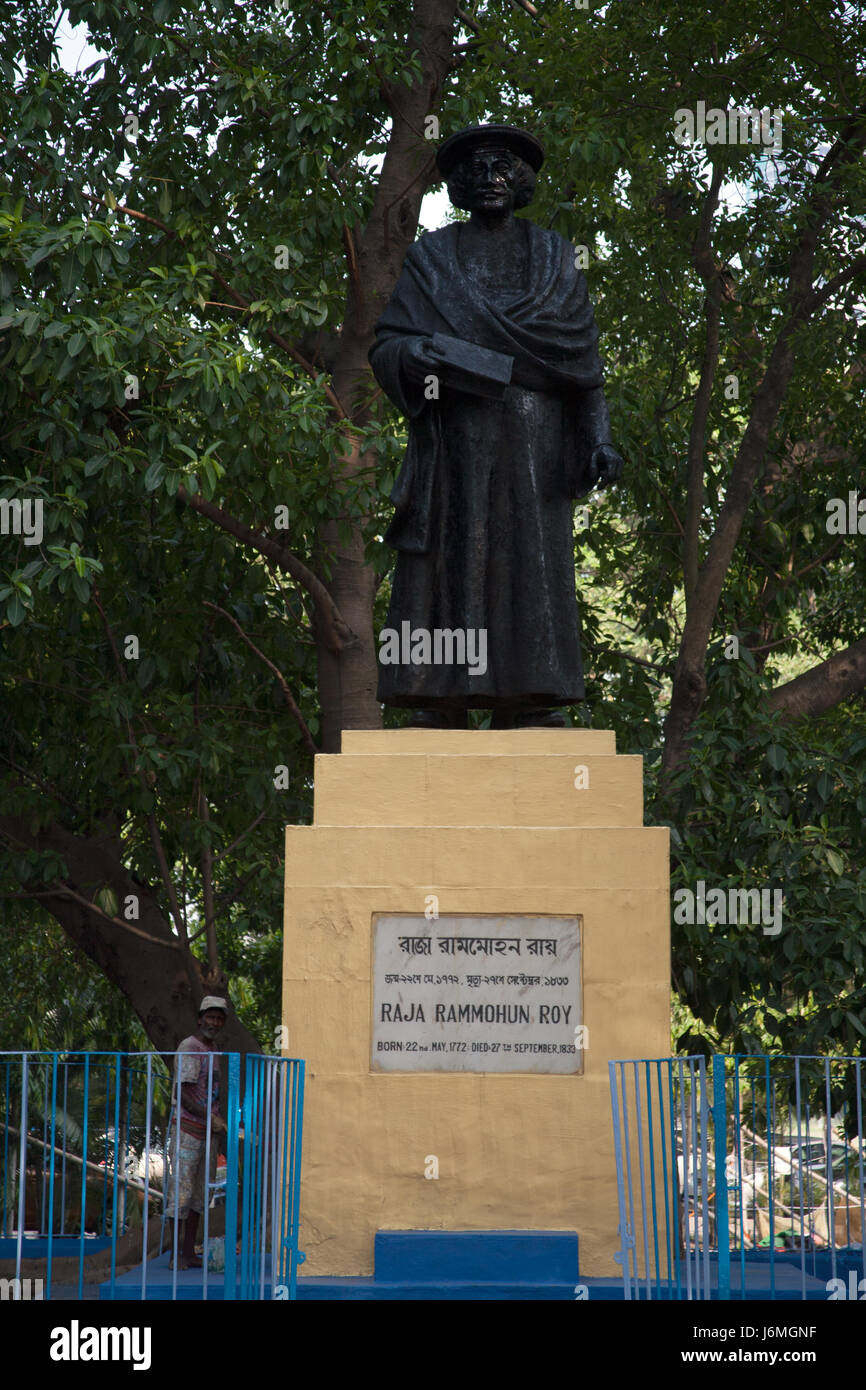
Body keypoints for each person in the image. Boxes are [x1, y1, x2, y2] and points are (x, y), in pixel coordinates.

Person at [370, 124, 623, 728]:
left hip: (536, 441)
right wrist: (415, 357)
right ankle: (439, 697)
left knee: (530, 562)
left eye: (502, 168)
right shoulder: (432, 256)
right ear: (458, 184)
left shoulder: (557, 259)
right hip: (453, 439)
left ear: (522, 182)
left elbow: (582, 365)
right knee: (450, 560)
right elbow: (388, 345)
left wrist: (599, 438)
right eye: (477, 169)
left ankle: (529, 698)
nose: (489, 179)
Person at [164, 996, 228, 1269]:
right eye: (210, 1017)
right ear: (200, 1018)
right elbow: (183, 1092)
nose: (213, 1022)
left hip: (207, 1132)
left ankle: (189, 1251)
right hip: (188, 1130)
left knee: (200, 1197)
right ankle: (177, 1255)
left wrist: (216, 1119)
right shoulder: (190, 1047)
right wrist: (209, 1117)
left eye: (218, 1018)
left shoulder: (213, 1049)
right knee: (181, 1193)